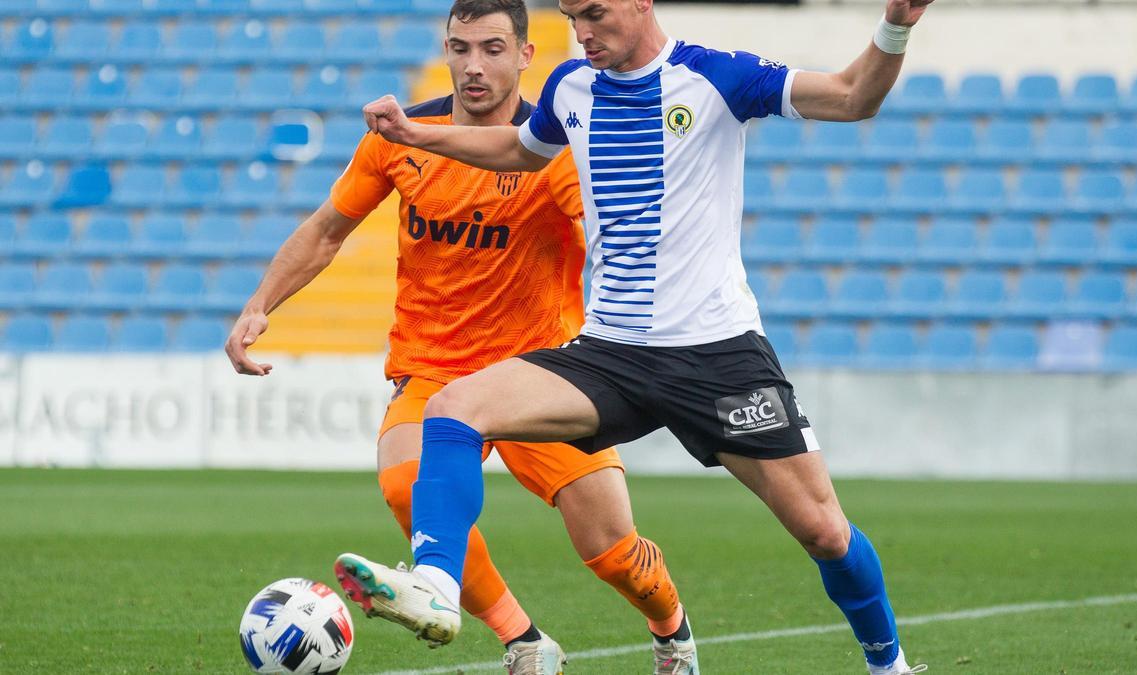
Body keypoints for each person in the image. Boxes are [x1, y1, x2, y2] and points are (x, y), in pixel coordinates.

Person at [358, 0, 935, 672]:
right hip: (612, 352)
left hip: (718, 356)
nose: (583, 32)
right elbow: (520, 148)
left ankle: (888, 663)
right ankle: (436, 586)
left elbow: (853, 95)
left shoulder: (717, 77)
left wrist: (896, 23)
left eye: (596, 14)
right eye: (573, 17)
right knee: (452, 407)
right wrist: (415, 134)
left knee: (824, 529)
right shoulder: (571, 87)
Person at [224, 1, 698, 672]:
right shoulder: (403, 137)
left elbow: (609, 240)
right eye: (460, 47)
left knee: (613, 550)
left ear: (527, 55)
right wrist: (259, 305)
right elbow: (330, 227)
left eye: (494, 49)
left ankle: (672, 629)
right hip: (435, 369)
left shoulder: (559, 148)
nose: (474, 65)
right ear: (445, 51)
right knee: (402, 483)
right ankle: (524, 640)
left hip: (543, 372)